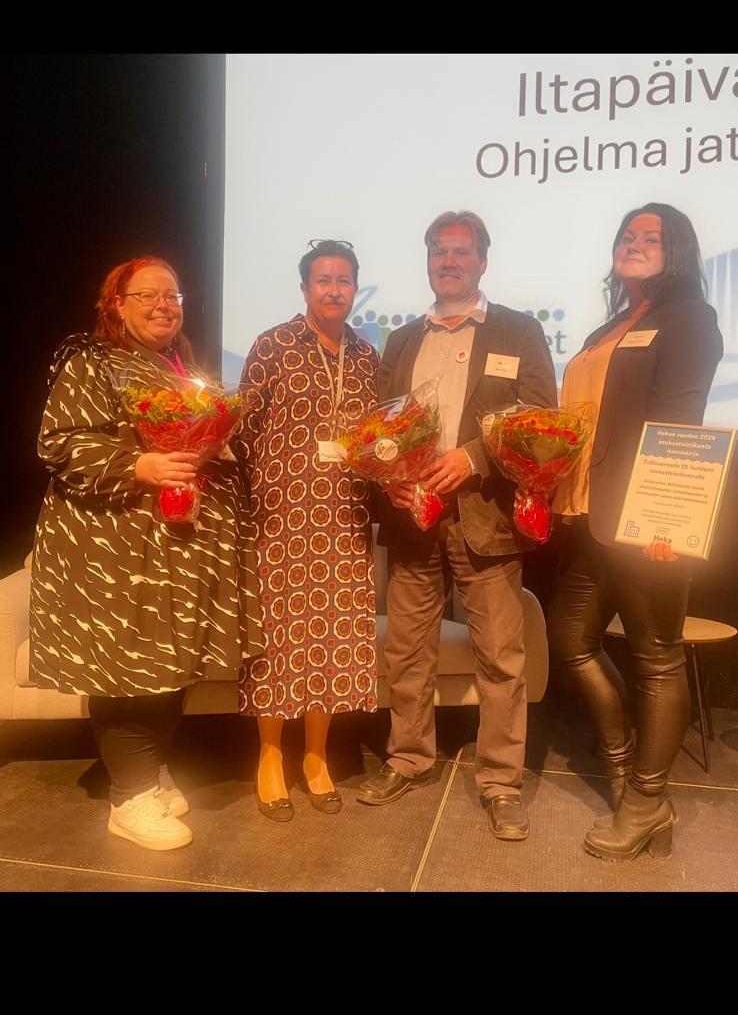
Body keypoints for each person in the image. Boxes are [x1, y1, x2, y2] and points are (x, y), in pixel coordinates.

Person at [29, 257, 263, 851]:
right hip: (117, 552)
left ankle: (147, 771)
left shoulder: (180, 367)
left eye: (173, 296)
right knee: (129, 663)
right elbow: (60, 444)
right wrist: (140, 465)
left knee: (169, 662)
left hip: (176, 548)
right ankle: (129, 797)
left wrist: (217, 447)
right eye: (147, 295)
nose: (164, 305)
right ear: (116, 304)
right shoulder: (92, 361)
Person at [355, 210, 558, 839]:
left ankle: (500, 782)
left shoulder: (518, 330)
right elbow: (383, 422)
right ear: (428, 262)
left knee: (501, 657)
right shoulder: (401, 340)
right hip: (412, 520)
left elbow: (538, 418)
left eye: (461, 252)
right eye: (439, 252)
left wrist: (472, 457)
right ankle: (409, 758)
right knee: (405, 650)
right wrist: (390, 471)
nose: (449, 261)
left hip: (485, 518)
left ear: (482, 262)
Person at [547, 203, 723, 860]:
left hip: (647, 520)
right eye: (627, 235)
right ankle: (625, 768)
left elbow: (680, 420)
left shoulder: (689, 318)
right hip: (593, 517)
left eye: (652, 237)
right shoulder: (613, 324)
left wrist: (666, 518)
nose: (634, 244)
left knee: (657, 658)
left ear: (677, 251)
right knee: (570, 639)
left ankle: (647, 801)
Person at [237, 239, 379, 821]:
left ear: (355, 289)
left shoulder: (367, 356)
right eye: (324, 280)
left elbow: (376, 439)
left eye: (344, 280)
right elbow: (242, 431)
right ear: (304, 288)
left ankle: (316, 757)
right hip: (281, 519)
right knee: (277, 640)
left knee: (333, 639)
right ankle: (271, 755)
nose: (334, 290)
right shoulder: (272, 345)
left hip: (345, 520)